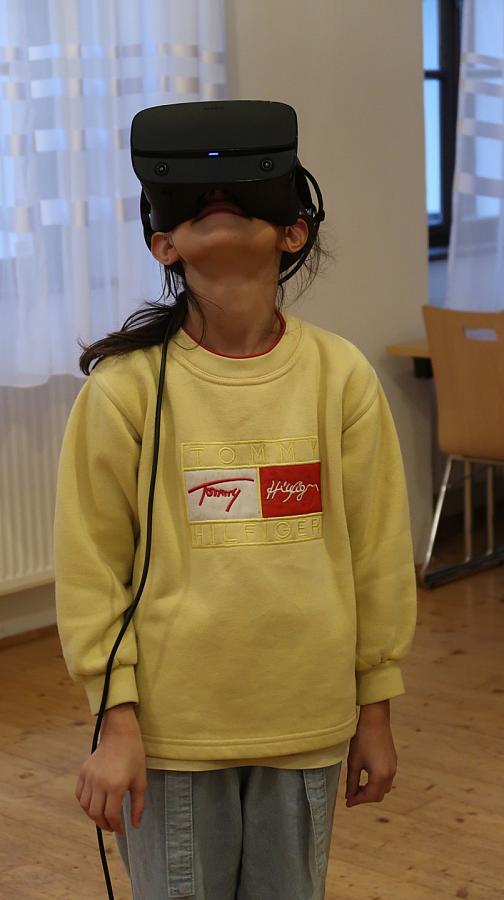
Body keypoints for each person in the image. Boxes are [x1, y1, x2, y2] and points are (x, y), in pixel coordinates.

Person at [54, 178, 417, 900]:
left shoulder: (341, 376)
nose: (218, 193)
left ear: (295, 232)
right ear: (164, 244)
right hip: (172, 738)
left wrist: (375, 709)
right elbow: (92, 569)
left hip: (306, 722)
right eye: (198, 195)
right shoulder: (124, 390)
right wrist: (116, 722)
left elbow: (378, 556)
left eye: (241, 188)